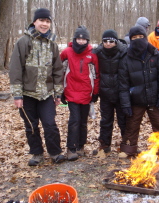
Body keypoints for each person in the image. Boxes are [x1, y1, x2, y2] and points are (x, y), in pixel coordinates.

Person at [9, 8, 65, 166]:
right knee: (31, 126)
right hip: (27, 94)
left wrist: (58, 93)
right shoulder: (23, 42)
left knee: (50, 124)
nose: (45, 24)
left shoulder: (52, 44)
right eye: (42, 21)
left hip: (46, 94)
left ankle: (55, 153)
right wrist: (17, 95)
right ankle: (37, 154)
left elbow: (57, 70)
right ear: (35, 22)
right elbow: (15, 69)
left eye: (47, 21)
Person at [118, 25, 159, 157]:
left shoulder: (155, 54)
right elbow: (123, 84)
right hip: (136, 99)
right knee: (132, 125)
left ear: (145, 37)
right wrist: (125, 104)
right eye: (134, 38)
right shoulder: (126, 58)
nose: (138, 40)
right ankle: (128, 148)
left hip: (154, 98)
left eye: (140, 37)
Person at [60, 25, 99, 161]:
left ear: (87, 40)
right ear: (74, 39)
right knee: (74, 120)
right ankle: (71, 148)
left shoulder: (92, 54)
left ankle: (81, 146)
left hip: (86, 93)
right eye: (79, 38)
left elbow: (96, 75)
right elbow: (60, 72)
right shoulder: (67, 52)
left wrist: (95, 92)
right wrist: (61, 91)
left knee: (83, 121)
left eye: (84, 39)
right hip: (71, 91)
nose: (81, 41)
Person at [93, 29, 127, 154]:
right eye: (105, 41)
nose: (108, 43)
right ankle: (104, 145)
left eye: (111, 41)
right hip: (105, 93)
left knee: (123, 120)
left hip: (121, 93)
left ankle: (127, 144)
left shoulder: (124, 52)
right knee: (106, 120)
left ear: (116, 41)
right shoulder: (97, 52)